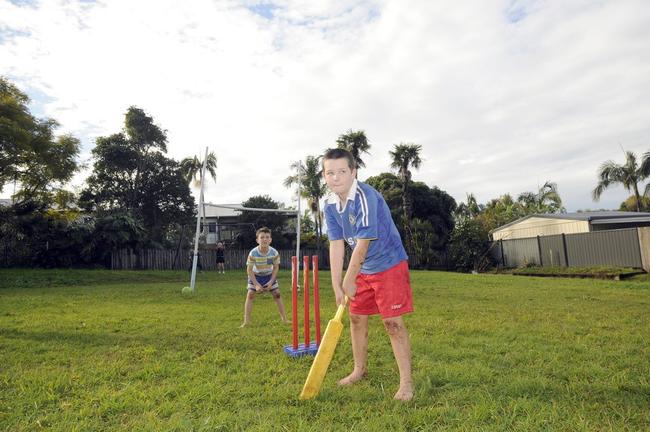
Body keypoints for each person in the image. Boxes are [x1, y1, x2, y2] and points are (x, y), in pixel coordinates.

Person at [322, 147, 414, 401]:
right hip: (361, 267)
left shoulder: (365, 196)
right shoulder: (329, 204)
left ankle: (406, 383)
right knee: (356, 318)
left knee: (392, 323)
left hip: (388, 264)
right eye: (330, 173)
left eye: (342, 171)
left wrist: (349, 278)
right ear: (324, 176)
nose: (336, 177)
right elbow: (336, 243)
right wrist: (336, 285)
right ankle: (359, 370)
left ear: (353, 172)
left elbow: (362, 243)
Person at [240, 227, 288, 327]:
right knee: (250, 294)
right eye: (262, 237)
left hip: (269, 275)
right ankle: (246, 322)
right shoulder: (253, 253)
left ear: (270, 240)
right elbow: (249, 270)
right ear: (257, 240)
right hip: (255, 275)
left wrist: (271, 282)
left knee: (277, 294)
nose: (264, 239)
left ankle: (284, 319)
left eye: (267, 237)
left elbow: (275, 268)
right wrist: (256, 285)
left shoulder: (274, 253)